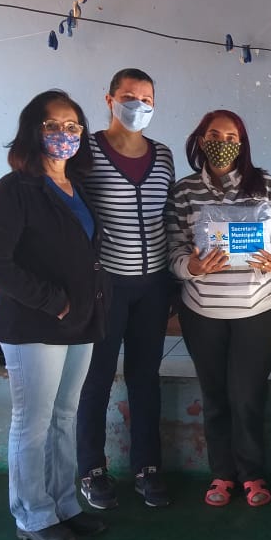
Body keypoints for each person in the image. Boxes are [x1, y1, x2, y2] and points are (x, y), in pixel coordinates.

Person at [0, 90, 110, 540]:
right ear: (33, 130)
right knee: (32, 422)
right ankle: (32, 515)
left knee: (64, 417)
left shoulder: (79, 186)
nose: (64, 134)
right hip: (34, 325)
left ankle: (64, 506)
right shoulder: (14, 190)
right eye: (53, 125)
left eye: (73, 126)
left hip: (79, 322)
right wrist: (53, 301)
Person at [165, 110, 271, 509]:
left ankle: (252, 473)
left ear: (241, 144)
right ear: (200, 139)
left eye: (230, 136)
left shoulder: (266, 185)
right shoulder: (185, 191)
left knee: (247, 396)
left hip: (256, 311)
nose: (222, 142)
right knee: (215, 396)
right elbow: (172, 248)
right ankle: (222, 474)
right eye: (214, 134)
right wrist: (191, 267)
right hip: (202, 313)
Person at [75, 68, 176, 511]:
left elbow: (169, 216)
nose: (138, 105)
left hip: (153, 285)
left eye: (146, 99)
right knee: (96, 377)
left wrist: (174, 282)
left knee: (145, 376)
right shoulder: (87, 151)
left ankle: (147, 467)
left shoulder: (164, 155)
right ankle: (91, 469)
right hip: (106, 286)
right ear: (110, 100)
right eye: (129, 96)